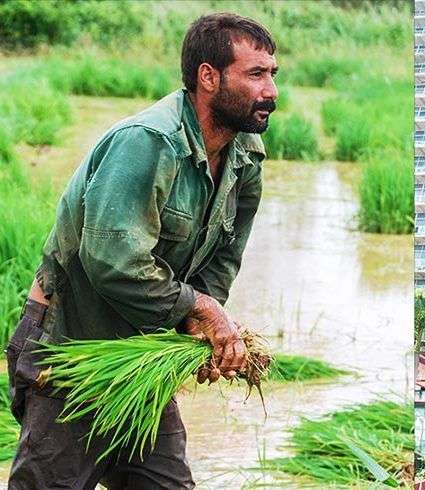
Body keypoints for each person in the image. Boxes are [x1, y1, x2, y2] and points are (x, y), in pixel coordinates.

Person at [6, 12, 278, 489]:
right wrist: (200, 308)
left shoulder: (245, 155)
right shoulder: (147, 143)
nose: (271, 91)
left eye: (272, 74)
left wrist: (197, 325)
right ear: (208, 77)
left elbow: (224, 260)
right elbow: (113, 262)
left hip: (141, 360)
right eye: (255, 74)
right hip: (72, 350)